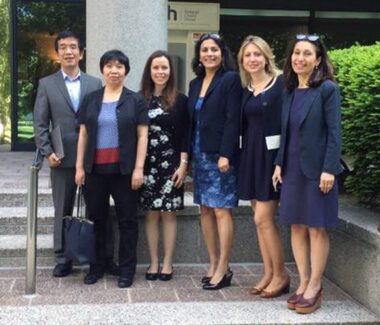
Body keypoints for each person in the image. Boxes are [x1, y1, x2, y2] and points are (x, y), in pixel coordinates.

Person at [272, 34, 343, 314]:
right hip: (290, 170)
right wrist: (278, 164)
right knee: (296, 226)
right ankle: (302, 282)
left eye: (307, 54)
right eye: (296, 53)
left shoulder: (327, 89)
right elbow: (286, 133)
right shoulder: (289, 90)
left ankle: (315, 285)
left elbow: (335, 133)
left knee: (316, 228)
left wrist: (329, 168)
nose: (300, 58)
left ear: (317, 60)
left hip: (317, 171)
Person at [33, 30, 107, 277]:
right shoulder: (47, 84)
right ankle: (63, 257)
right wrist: (47, 151)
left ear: (81, 53)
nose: (68, 51)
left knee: (95, 208)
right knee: (62, 209)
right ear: (57, 53)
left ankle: (95, 256)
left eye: (73, 47)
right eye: (63, 47)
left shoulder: (95, 84)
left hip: (91, 158)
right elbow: (40, 123)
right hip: (61, 157)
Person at [75, 49, 149, 288]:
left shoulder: (135, 100)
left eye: (119, 66)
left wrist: (139, 168)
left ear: (126, 71)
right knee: (97, 219)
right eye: (109, 66)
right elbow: (83, 134)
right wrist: (79, 167)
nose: (114, 70)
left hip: (124, 171)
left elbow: (142, 136)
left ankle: (126, 269)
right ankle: (98, 265)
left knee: (128, 221)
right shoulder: (91, 98)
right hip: (95, 171)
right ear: (102, 70)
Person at [188, 33, 242, 290]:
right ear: (198, 55)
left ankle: (224, 266)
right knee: (205, 210)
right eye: (204, 50)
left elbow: (233, 119)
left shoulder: (230, 80)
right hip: (199, 155)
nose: (209, 53)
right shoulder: (194, 83)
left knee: (221, 209)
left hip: (220, 156)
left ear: (222, 54)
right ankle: (212, 262)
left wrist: (226, 154)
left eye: (214, 49)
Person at [237, 35, 289, 298]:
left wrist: (281, 160)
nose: (253, 59)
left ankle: (281, 275)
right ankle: (268, 272)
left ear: (266, 55)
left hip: (271, 159)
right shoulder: (247, 88)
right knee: (258, 221)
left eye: (257, 54)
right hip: (251, 155)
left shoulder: (281, 83)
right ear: (242, 61)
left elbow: (287, 125)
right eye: (248, 55)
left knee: (263, 218)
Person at [139, 50, 189, 281]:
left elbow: (186, 136)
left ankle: (168, 262)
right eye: (156, 68)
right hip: (146, 164)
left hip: (172, 165)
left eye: (164, 68)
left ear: (171, 71)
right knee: (150, 215)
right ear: (149, 71)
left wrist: (183, 165)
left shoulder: (181, 100)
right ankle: (153, 262)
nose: (160, 72)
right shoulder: (139, 99)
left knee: (168, 214)